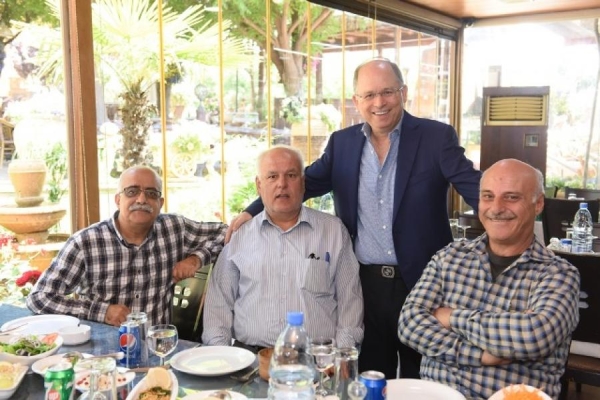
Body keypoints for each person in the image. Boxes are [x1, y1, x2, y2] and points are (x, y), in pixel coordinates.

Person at [226, 58, 481, 377]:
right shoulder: (342, 143)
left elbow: (477, 190)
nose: (379, 102)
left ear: (403, 93)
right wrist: (251, 211)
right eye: (369, 95)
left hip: (424, 285)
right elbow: (300, 183)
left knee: (423, 378)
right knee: (370, 377)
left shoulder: (435, 137)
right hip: (365, 287)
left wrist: (505, 226)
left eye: (387, 92)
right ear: (356, 101)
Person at [398, 159, 580, 400]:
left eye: (511, 197)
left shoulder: (558, 274)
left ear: (538, 204)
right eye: (488, 196)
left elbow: (533, 336)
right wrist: (479, 354)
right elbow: (409, 324)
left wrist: (450, 317)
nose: (497, 207)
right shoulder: (449, 257)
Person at [202, 146, 364, 351]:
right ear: (259, 185)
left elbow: (350, 302)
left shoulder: (333, 232)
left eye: (291, 175)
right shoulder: (240, 236)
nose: (282, 184)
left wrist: (342, 357)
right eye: (272, 176)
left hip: (317, 358)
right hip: (251, 358)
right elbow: (218, 307)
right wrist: (222, 356)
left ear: (303, 183)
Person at [27, 165, 227, 327]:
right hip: (101, 350)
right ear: (118, 199)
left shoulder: (174, 229)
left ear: (160, 203)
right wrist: (102, 312)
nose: (142, 199)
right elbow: (40, 298)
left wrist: (196, 258)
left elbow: (225, 232)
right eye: (132, 191)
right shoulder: (86, 243)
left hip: (156, 347)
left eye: (151, 193)